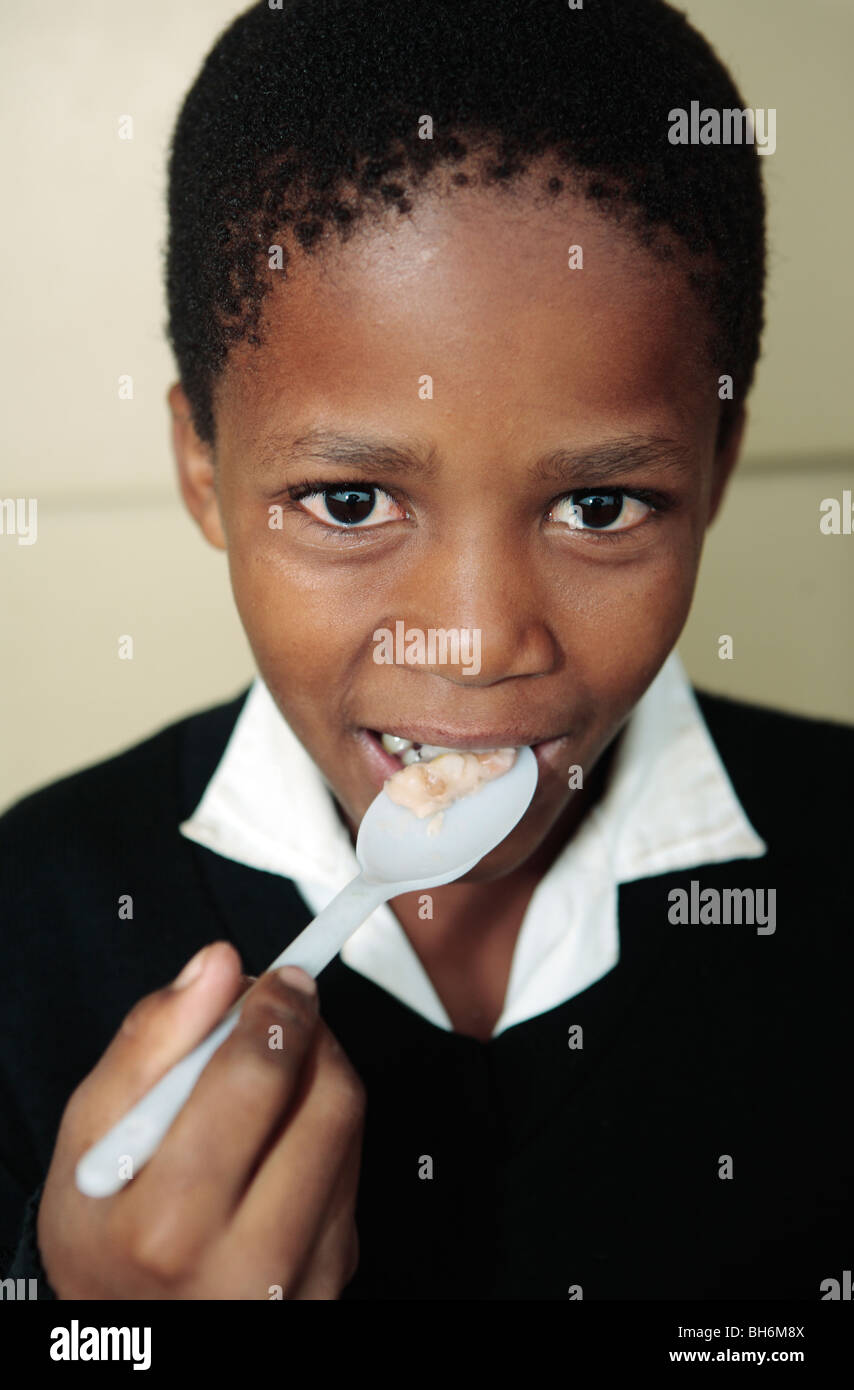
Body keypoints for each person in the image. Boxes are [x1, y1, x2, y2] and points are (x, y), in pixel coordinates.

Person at [1, 0, 850, 1300]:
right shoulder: (32, 919)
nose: (476, 641)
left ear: (716, 470)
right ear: (204, 469)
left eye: (598, 505)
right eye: (349, 502)